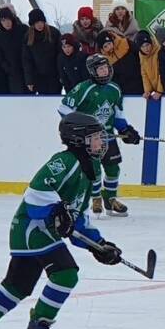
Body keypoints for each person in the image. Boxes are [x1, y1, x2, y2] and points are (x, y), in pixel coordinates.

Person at [0, 112, 123, 329]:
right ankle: (38, 327)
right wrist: (55, 211)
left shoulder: (92, 168)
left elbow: (76, 218)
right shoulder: (64, 161)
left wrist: (98, 245)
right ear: (79, 140)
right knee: (65, 274)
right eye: (95, 137)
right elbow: (36, 192)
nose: (101, 142)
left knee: (17, 285)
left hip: (39, 233)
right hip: (30, 228)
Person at [59, 54, 141, 217]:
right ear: (92, 71)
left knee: (113, 169)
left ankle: (110, 199)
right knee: (95, 172)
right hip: (90, 140)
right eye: (100, 69)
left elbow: (117, 113)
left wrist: (126, 130)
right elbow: (64, 109)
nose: (104, 71)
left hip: (108, 137)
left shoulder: (115, 89)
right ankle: (95, 198)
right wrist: (79, 128)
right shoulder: (83, 88)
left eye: (106, 68)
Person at [24, 9, 63, 95]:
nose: (39, 25)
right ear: (32, 24)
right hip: (39, 77)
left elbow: (60, 54)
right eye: (36, 23)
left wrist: (61, 74)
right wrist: (29, 80)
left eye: (41, 22)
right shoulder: (28, 37)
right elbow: (27, 60)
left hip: (54, 75)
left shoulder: (54, 33)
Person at [0, 4, 30, 94]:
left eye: (8, 19)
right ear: (0, 22)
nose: (6, 22)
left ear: (12, 18)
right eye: (3, 20)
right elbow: (0, 57)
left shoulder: (23, 30)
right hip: (13, 76)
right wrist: (8, 69)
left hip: (27, 73)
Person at [135, 30, 163, 101]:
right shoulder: (141, 55)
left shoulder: (159, 51)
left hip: (164, 89)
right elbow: (144, 74)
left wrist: (160, 90)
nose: (146, 48)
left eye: (147, 45)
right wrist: (148, 91)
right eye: (142, 46)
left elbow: (162, 72)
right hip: (156, 92)